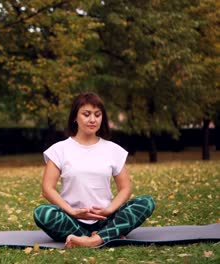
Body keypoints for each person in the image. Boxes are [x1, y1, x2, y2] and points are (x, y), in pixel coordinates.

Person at [33, 92, 155, 248]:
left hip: (106, 219)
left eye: (97, 115)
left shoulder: (113, 150)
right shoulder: (59, 150)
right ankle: (105, 235)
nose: (92, 119)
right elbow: (47, 189)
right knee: (42, 212)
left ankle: (93, 240)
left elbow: (125, 188)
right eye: (86, 114)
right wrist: (72, 212)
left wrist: (109, 210)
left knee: (146, 202)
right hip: (72, 219)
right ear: (75, 117)